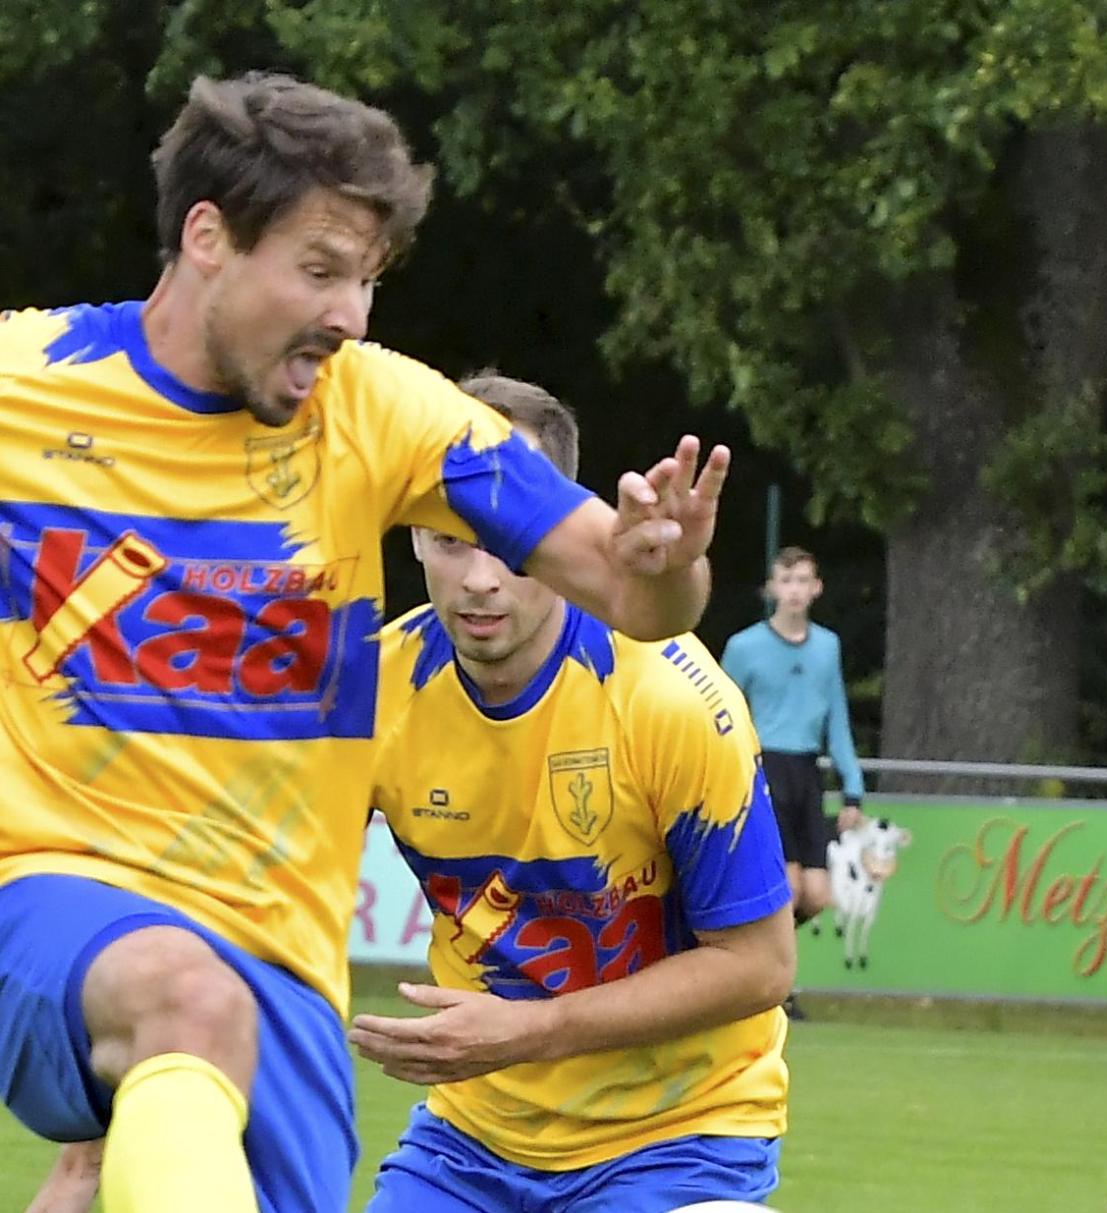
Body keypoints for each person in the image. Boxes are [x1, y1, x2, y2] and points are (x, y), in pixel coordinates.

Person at [2, 72, 725, 1213]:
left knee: (212, 1030)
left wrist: (664, 560)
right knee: (185, 999)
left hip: (282, 961)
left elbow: (636, 598)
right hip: (51, 895)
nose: (350, 315)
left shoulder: (385, 410)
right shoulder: (26, 386)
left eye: (368, 280)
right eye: (320, 270)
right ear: (208, 237)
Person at [345, 372, 794, 1212]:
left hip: (681, 1138)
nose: (481, 577)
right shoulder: (370, 693)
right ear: (411, 534)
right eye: (449, 539)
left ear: (560, 530)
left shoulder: (670, 698)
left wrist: (528, 1031)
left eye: (508, 539)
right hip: (470, 1142)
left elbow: (761, 963)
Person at [721, 548, 866, 929]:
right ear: (771, 588)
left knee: (816, 895)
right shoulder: (743, 647)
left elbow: (837, 718)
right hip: (765, 768)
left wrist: (853, 787)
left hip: (807, 772)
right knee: (788, 888)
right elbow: (717, 714)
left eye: (802, 580)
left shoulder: (827, 645)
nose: (794, 590)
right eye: (786, 581)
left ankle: (764, 948)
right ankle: (768, 963)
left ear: (817, 587)